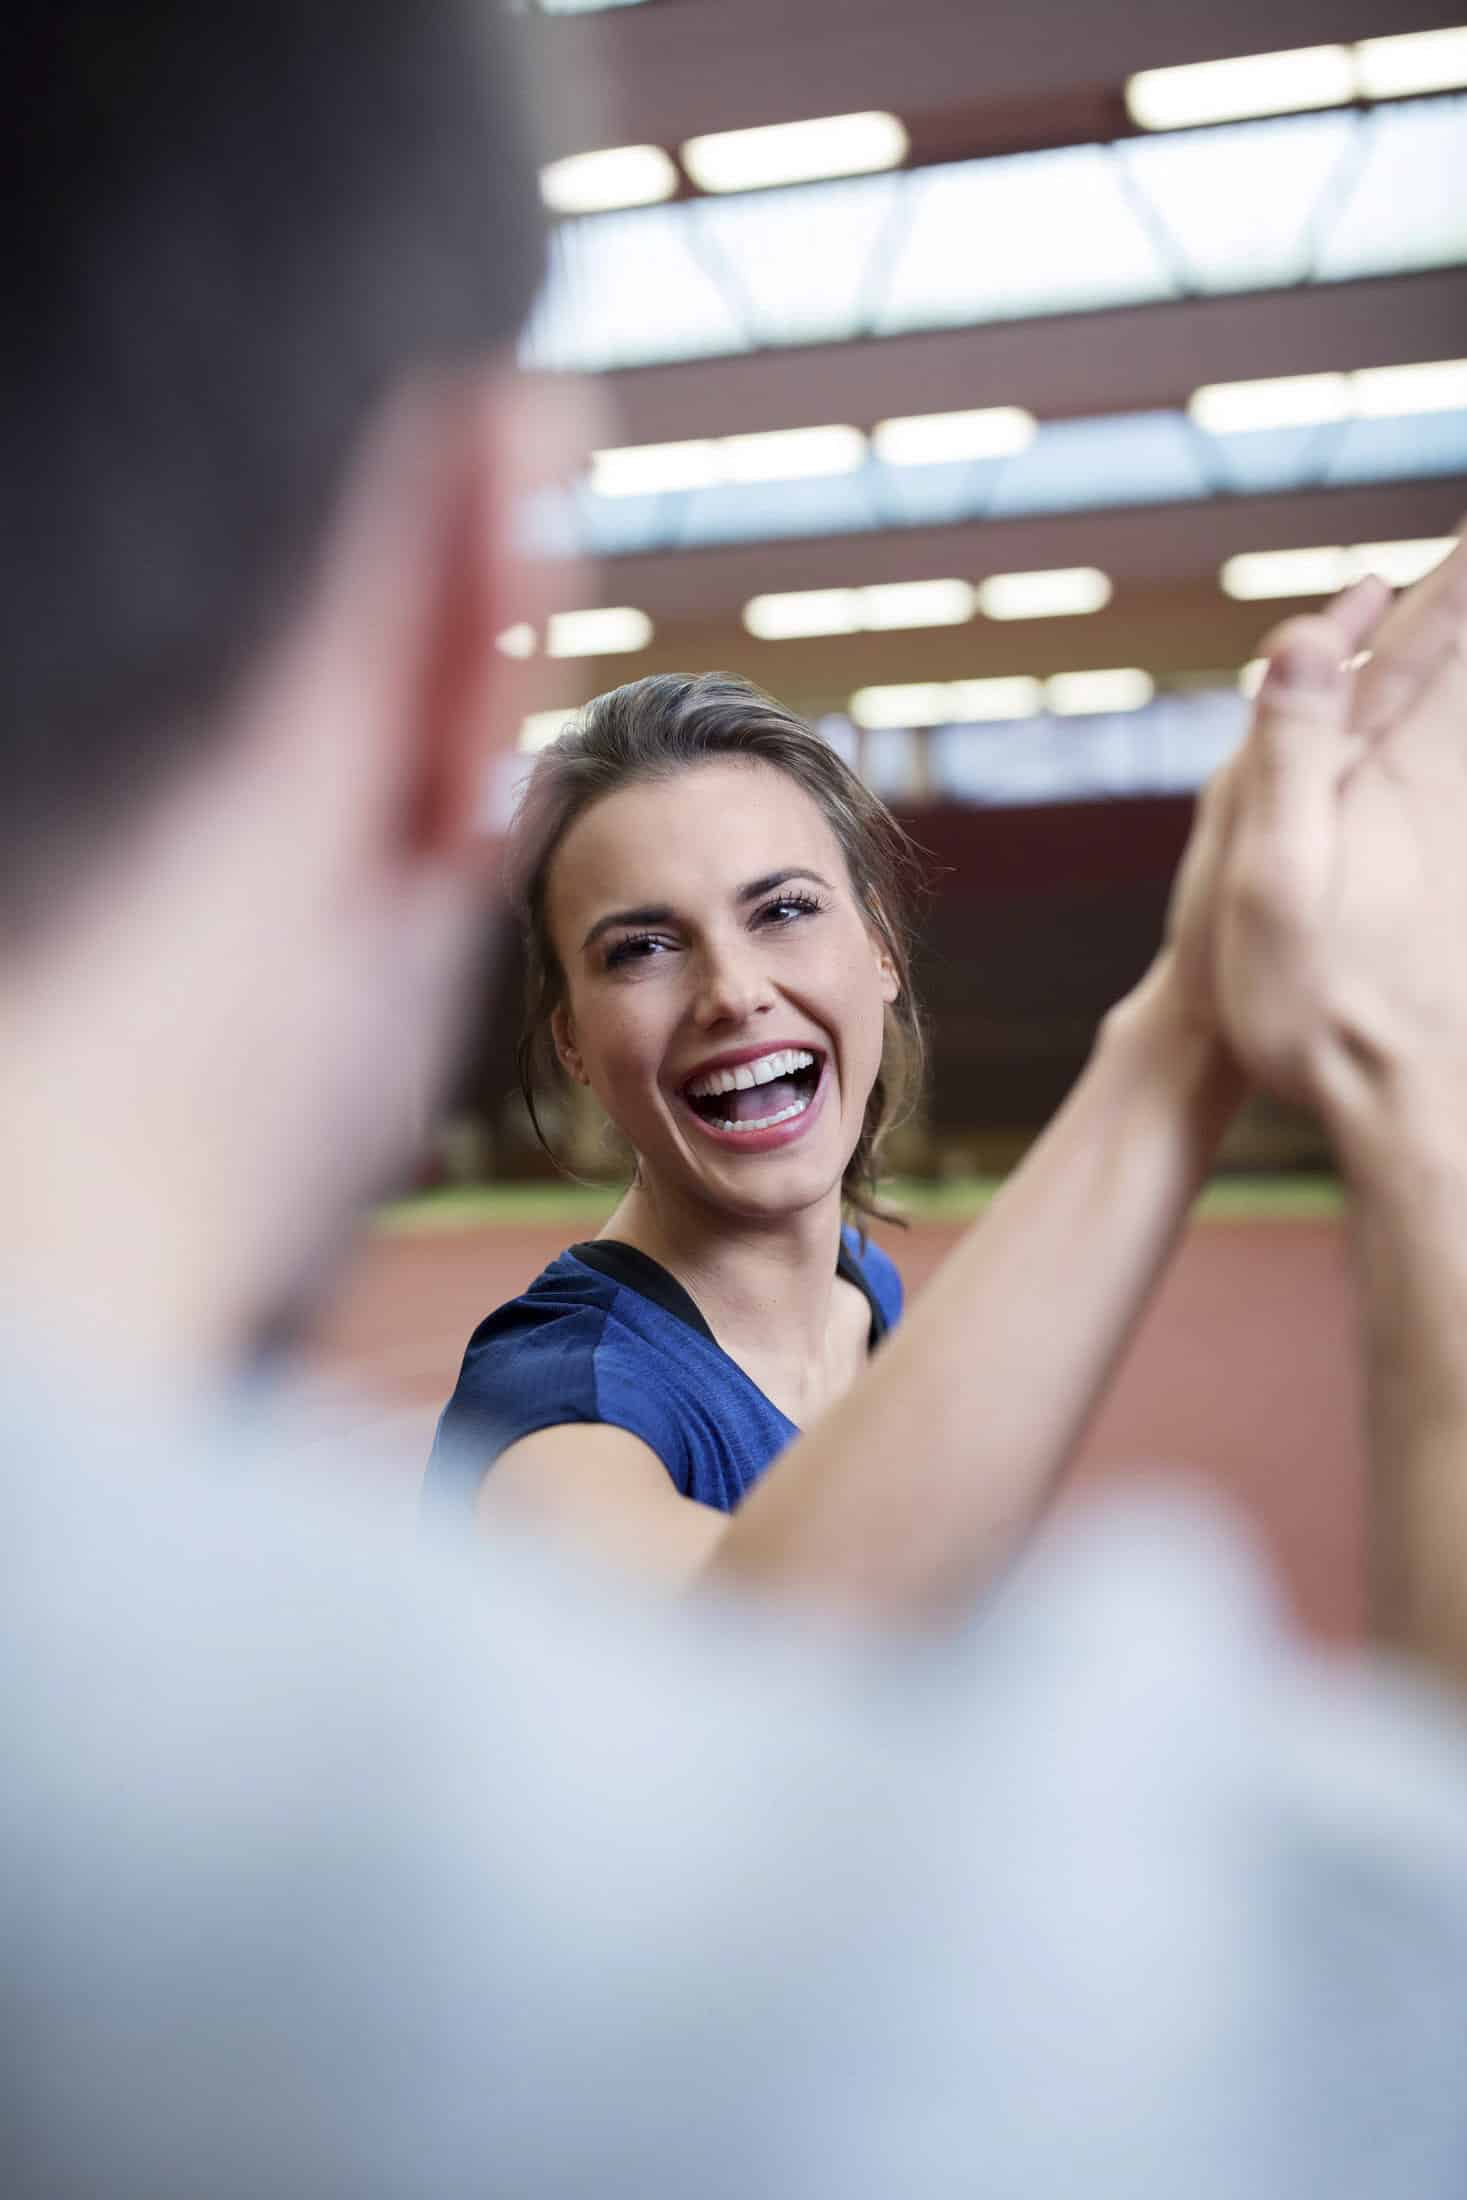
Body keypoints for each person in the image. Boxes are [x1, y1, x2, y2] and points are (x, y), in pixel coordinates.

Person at [9, 4, 1467, 2191]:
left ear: (885, 951)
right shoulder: (559, 1380)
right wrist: (1308, 1054)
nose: (727, 991)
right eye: (632, 943)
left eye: (785, 907)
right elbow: (728, 1730)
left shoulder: (888, 1292)